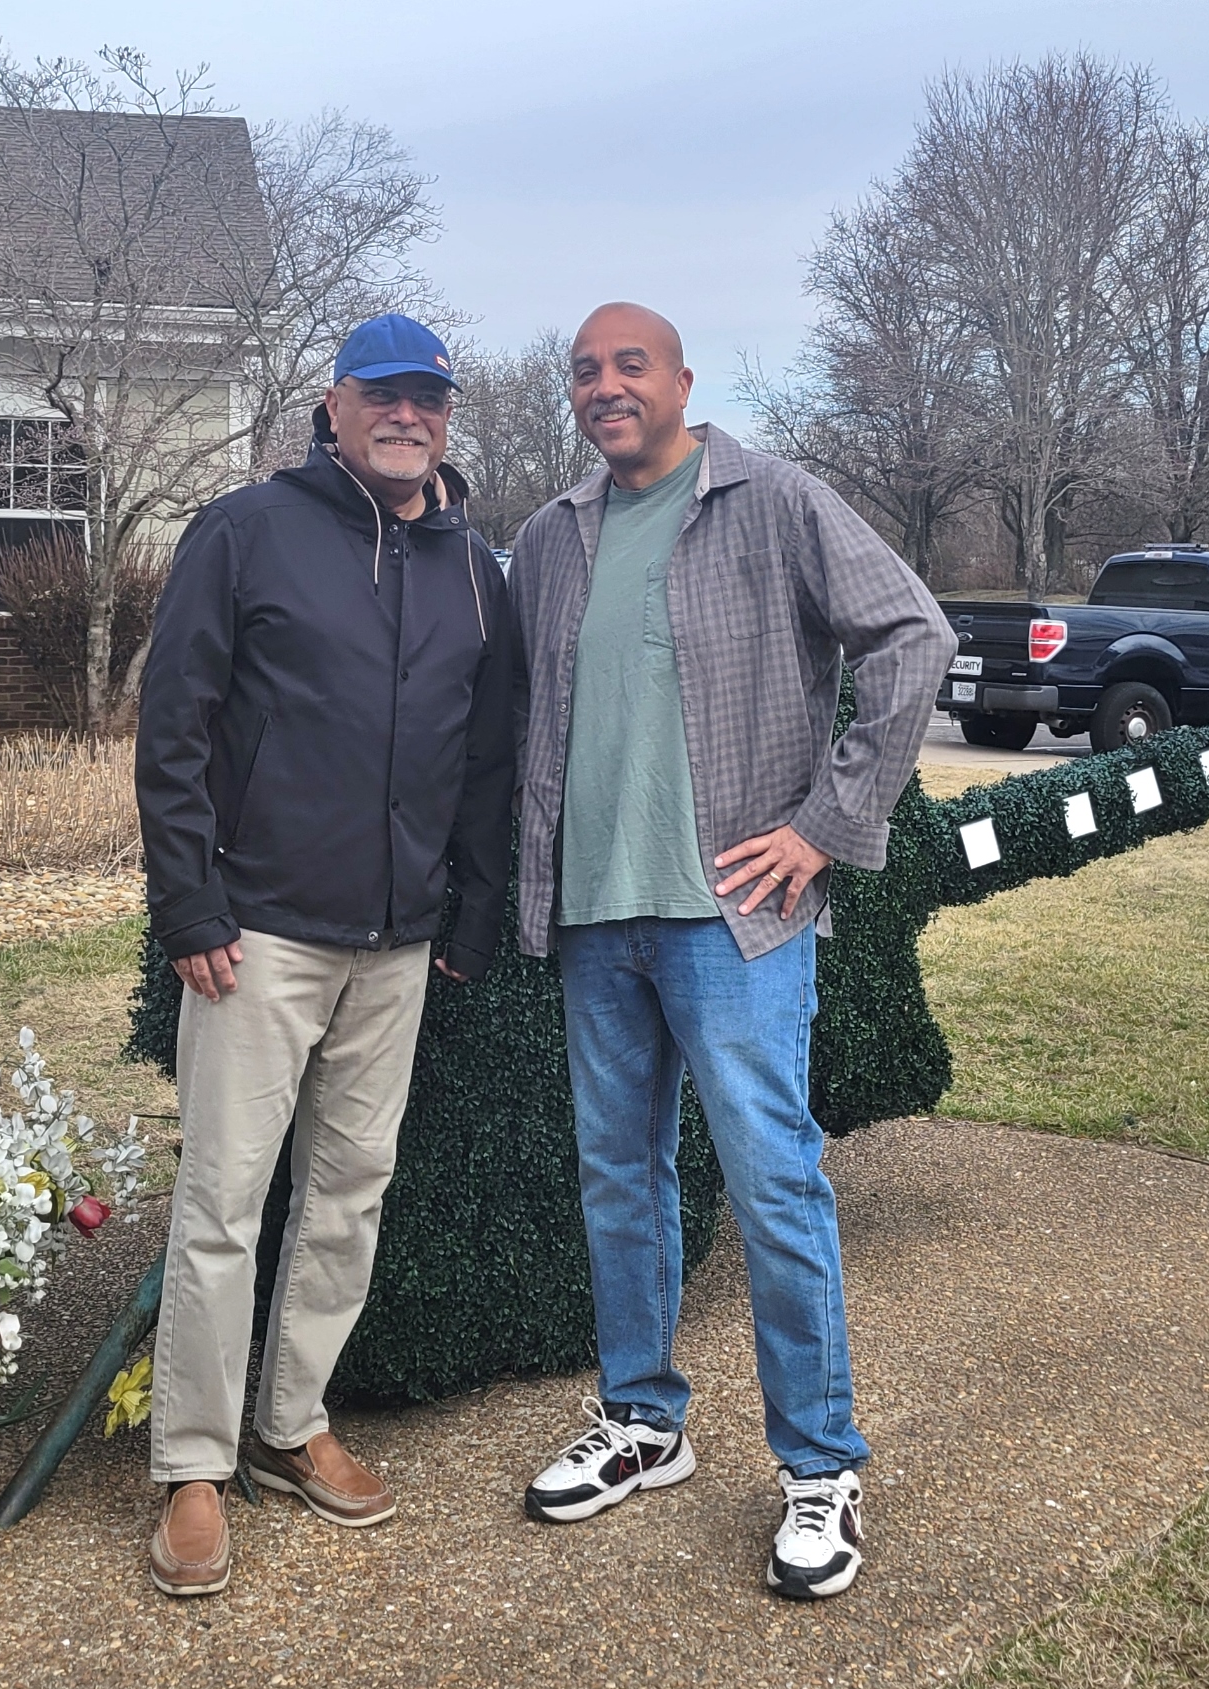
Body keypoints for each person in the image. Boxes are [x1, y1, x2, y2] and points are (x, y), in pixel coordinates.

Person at [510, 302, 953, 1599]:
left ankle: (820, 1467)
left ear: (680, 379)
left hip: (733, 922)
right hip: (595, 919)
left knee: (772, 1185)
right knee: (619, 1179)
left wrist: (825, 824)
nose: (605, 386)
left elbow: (913, 635)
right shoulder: (550, 537)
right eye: (584, 371)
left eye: (629, 364)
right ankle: (642, 1422)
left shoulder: (773, 500)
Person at [135, 313, 515, 1597]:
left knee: (349, 1195)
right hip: (257, 936)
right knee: (224, 1202)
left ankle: (291, 1425)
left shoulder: (474, 570)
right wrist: (189, 905)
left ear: (445, 419)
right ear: (334, 406)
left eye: (429, 400)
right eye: (382, 395)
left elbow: (484, 757)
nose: (408, 416)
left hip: (396, 943)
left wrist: (471, 910)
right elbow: (174, 725)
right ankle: (193, 1465)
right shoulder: (246, 531)